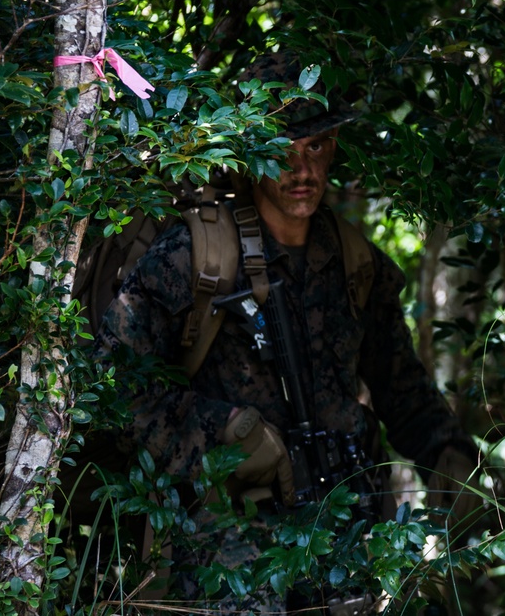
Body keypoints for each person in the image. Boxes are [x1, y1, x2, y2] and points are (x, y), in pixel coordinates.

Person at [93, 52, 481, 609]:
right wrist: (227, 434)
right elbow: (112, 386)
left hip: (346, 541)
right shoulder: (196, 255)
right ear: (251, 156)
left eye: (316, 147)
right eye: (283, 151)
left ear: (335, 147)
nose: (303, 171)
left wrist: (453, 467)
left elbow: (403, 389)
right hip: (228, 550)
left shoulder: (353, 262)